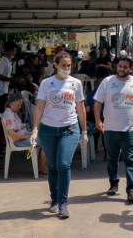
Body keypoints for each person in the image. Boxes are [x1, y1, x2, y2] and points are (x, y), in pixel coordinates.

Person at [31, 51, 87, 219]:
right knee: (53, 166)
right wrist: (35, 130)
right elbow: (39, 108)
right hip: (48, 129)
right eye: (63, 65)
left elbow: (81, 108)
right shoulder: (47, 83)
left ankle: (63, 202)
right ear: (55, 65)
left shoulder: (76, 83)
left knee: (63, 164)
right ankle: (54, 199)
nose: (67, 68)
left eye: (69, 65)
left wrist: (84, 132)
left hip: (69, 129)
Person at [93, 56, 133, 201]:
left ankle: (131, 189)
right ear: (116, 67)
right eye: (120, 66)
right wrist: (98, 120)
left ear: (130, 69)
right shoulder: (107, 82)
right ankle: (113, 184)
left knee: (130, 159)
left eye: (125, 67)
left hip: (130, 129)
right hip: (110, 129)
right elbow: (97, 103)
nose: (122, 69)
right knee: (111, 159)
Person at [1, 90, 47, 175]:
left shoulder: (11, 113)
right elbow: (11, 133)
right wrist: (28, 136)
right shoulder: (9, 115)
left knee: (44, 137)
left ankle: (42, 165)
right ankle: (42, 167)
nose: (19, 107)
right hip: (18, 141)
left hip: (21, 138)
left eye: (20, 105)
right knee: (46, 141)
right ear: (11, 104)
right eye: (18, 105)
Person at [0, 42, 18, 110]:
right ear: (13, 50)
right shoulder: (3, 61)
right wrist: (11, 79)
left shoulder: (8, 61)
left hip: (3, 91)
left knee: (2, 111)